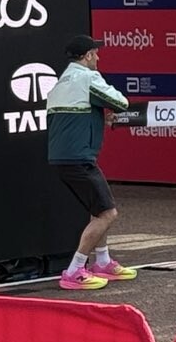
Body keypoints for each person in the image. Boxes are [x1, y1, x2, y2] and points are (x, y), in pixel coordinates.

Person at [44, 35, 133, 290]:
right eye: (95, 53)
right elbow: (121, 102)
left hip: (64, 158)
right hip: (78, 159)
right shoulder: (87, 77)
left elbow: (76, 116)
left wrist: (99, 116)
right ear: (87, 56)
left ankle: (102, 262)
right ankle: (74, 270)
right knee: (107, 213)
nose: (99, 57)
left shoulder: (61, 82)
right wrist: (109, 111)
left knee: (98, 209)